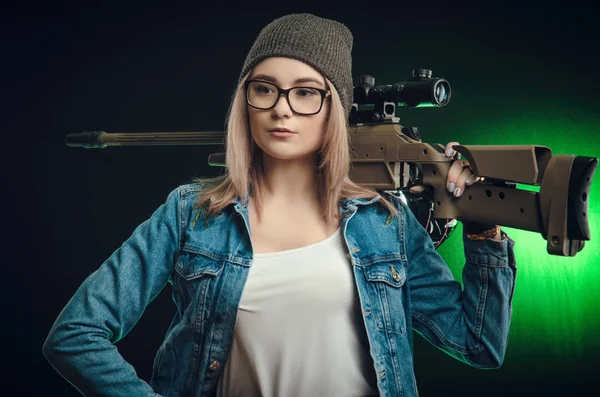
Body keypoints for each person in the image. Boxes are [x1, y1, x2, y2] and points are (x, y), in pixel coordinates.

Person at [43, 13, 517, 397]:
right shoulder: (189, 213)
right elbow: (75, 335)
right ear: (244, 100)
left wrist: (482, 229)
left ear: (336, 109)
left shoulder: (384, 220)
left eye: (307, 92)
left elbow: (477, 344)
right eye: (264, 88)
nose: (282, 108)